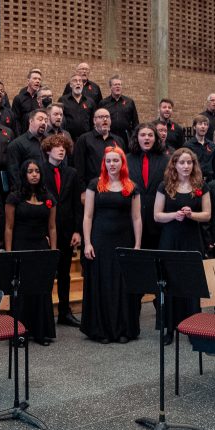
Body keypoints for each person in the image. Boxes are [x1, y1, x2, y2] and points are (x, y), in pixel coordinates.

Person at [81, 146, 142, 344]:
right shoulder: (95, 184)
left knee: (122, 285)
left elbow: (136, 218)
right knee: (103, 284)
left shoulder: (131, 186)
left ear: (122, 163)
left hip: (124, 241)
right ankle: (102, 330)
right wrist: (87, 243)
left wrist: (138, 245)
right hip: (100, 242)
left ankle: (124, 329)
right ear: (104, 163)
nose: (112, 164)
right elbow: (88, 216)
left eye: (116, 161)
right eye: (109, 161)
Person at [153, 148, 211, 344]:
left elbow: (207, 215)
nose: (186, 166)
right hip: (170, 240)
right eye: (182, 163)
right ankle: (170, 328)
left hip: (192, 239)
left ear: (193, 165)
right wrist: (175, 215)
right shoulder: (165, 186)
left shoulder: (201, 185)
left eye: (189, 163)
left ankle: (194, 328)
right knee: (170, 283)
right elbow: (157, 215)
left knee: (192, 283)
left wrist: (190, 215)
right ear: (175, 165)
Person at [5, 159, 57, 345]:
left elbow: (52, 228)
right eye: (30, 171)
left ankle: (41, 332)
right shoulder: (14, 197)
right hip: (21, 247)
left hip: (41, 248)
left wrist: (53, 252)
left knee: (41, 290)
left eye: (37, 171)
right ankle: (19, 333)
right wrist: (9, 254)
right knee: (23, 292)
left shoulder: (48, 197)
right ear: (23, 174)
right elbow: (9, 227)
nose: (34, 174)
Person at [41, 134, 82, 326]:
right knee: (47, 274)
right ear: (48, 150)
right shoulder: (39, 171)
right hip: (46, 232)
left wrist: (77, 231)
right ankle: (46, 313)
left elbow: (76, 205)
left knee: (64, 274)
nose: (61, 150)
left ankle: (65, 312)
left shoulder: (71, 173)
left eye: (64, 147)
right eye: (57, 147)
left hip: (66, 231)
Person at [126, 123, 168, 250]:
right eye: (143, 135)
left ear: (155, 138)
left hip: (157, 221)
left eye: (150, 135)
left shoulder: (166, 160)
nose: (147, 138)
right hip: (132, 219)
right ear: (136, 138)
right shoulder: (126, 160)